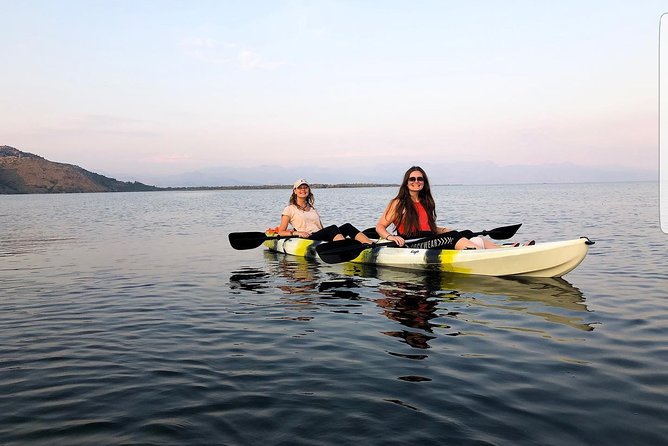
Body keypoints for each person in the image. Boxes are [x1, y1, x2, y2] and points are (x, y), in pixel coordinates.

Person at [376, 166, 520, 249]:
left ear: (424, 182)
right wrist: (391, 237)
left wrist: (442, 230)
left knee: (466, 233)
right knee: (453, 237)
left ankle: (501, 250)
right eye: (412, 179)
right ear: (406, 183)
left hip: (429, 238)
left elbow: (426, 227)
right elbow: (380, 226)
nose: (416, 181)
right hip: (412, 243)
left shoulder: (426, 202)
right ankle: (487, 255)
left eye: (420, 179)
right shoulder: (398, 203)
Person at [276, 179, 373, 244]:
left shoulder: (313, 209)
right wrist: (297, 233)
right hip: (307, 238)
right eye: (300, 188)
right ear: (295, 191)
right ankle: (344, 247)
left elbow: (321, 228)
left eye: (305, 188)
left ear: (308, 190)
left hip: (319, 235)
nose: (303, 190)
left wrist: (331, 234)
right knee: (332, 228)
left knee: (347, 226)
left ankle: (370, 245)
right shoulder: (289, 209)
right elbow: (281, 232)